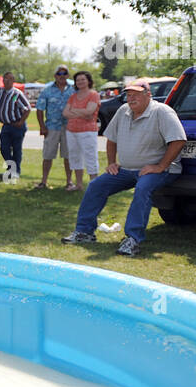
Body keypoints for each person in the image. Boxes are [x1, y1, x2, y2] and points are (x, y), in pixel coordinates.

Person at [60, 79, 186, 257]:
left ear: (148, 95)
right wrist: (111, 162)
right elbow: (111, 139)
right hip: (126, 169)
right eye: (129, 94)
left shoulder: (162, 112)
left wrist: (160, 166)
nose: (131, 98)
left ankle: (133, 239)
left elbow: (179, 140)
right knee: (96, 185)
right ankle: (84, 232)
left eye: (136, 94)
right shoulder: (123, 111)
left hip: (159, 170)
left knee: (143, 189)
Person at [35, 65, 75, 190]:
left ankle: (69, 181)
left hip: (69, 127)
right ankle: (44, 181)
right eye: (59, 74)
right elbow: (40, 109)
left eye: (64, 73)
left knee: (68, 156)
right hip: (51, 127)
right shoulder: (47, 90)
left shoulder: (73, 90)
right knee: (48, 155)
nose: (62, 76)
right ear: (55, 76)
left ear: (68, 75)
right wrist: (42, 127)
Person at [63, 71, 101, 191]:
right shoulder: (73, 96)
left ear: (88, 81)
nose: (80, 82)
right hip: (71, 131)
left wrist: (73, 110)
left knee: (90, 156)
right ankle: (79, 184)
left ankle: (94, 186)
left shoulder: (93, 95)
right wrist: (82, 112)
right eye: (78, 80)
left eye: (83, 79)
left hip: (87, 131)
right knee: (75, 157)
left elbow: (90, 112)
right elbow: (65, 113)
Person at [0, 72, 31, 178]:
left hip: (17, 125)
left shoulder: (17, 94)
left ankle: (16, 172)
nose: (7, 81)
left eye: (9, 79)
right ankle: (11, 168)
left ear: (13, 81)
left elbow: (27, 108)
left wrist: (21, 122)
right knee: (4, 148)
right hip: (6, 125)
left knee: (16, 149)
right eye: (5, 79)